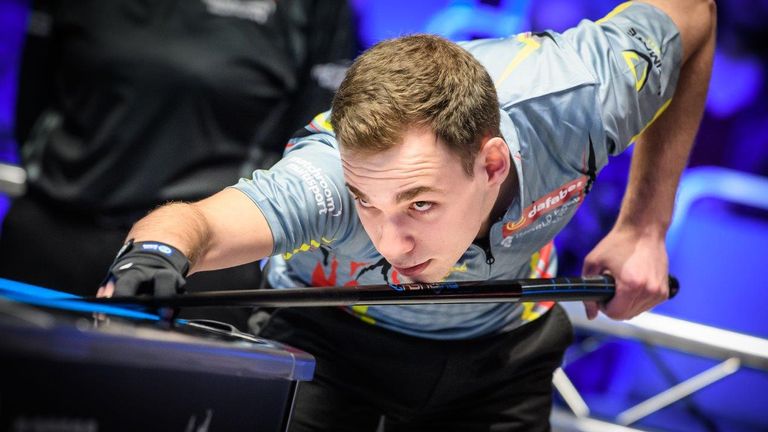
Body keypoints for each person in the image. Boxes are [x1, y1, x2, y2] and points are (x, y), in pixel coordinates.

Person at [99, 0, 716, 430]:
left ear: (493, 164)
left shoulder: (581, 98)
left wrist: (644, 226)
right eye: (369, 202)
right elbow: (196, 226)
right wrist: (152, 258)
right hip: (329, 343)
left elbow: (694, 13)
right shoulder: (329, 177)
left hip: (503, 354)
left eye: (420, 203)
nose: (393, 243)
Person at [0, 0, 356, 329]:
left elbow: (308, 142)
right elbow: (32, 96)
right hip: (54, 233)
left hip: (202, 260)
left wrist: (216, 224)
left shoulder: (314, 8)